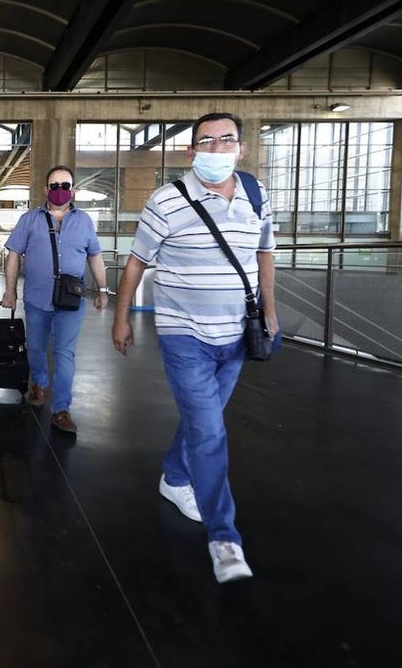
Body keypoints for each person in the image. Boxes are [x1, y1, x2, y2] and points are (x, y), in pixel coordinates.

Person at [111, 112, 278, 584]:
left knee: (202, 418)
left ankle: (175, 476)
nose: (216, 148)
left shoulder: (257, 196)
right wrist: (121, 319)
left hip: (237, 334)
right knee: (209, 431)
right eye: (206, 141)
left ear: (241, 148)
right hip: (184, 333)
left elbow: (264, 254)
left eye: (226, 140)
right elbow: (136, 263)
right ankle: (224, 538)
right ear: (191, 151)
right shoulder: (166, 201)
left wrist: (270, 310)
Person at [1, 165, 108, 435]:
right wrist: (10, 291)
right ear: (45, 189)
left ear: (73, 190)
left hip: (71, 301)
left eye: (65, 186)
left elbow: (94, 256)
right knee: (35, 348)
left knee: (64, 353)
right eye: (54, 186)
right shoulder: (30, 219)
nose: (60, 191)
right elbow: (13, 254)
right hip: (37, 299)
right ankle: (39, 381)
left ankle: (61, 409)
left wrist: (103, 288)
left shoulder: (84, 221)